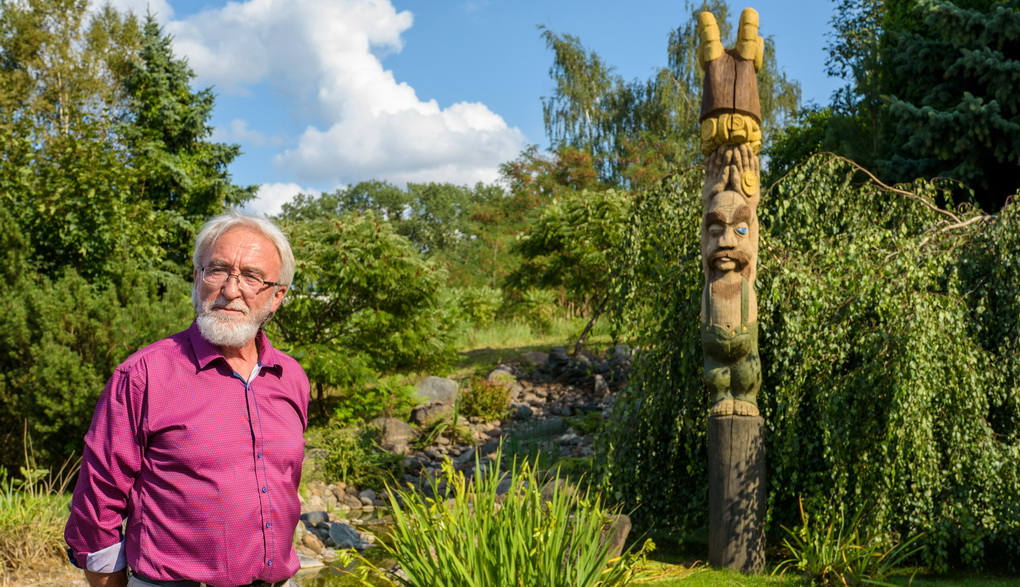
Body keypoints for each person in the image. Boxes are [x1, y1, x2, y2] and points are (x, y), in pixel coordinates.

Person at [65, 211, 309, 587]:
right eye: (218, 270)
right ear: (197, 279)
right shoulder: (144, 375)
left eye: (251, 277)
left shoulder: (291, 377)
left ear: (276, 296)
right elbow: (98, 505)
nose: (231, 289)